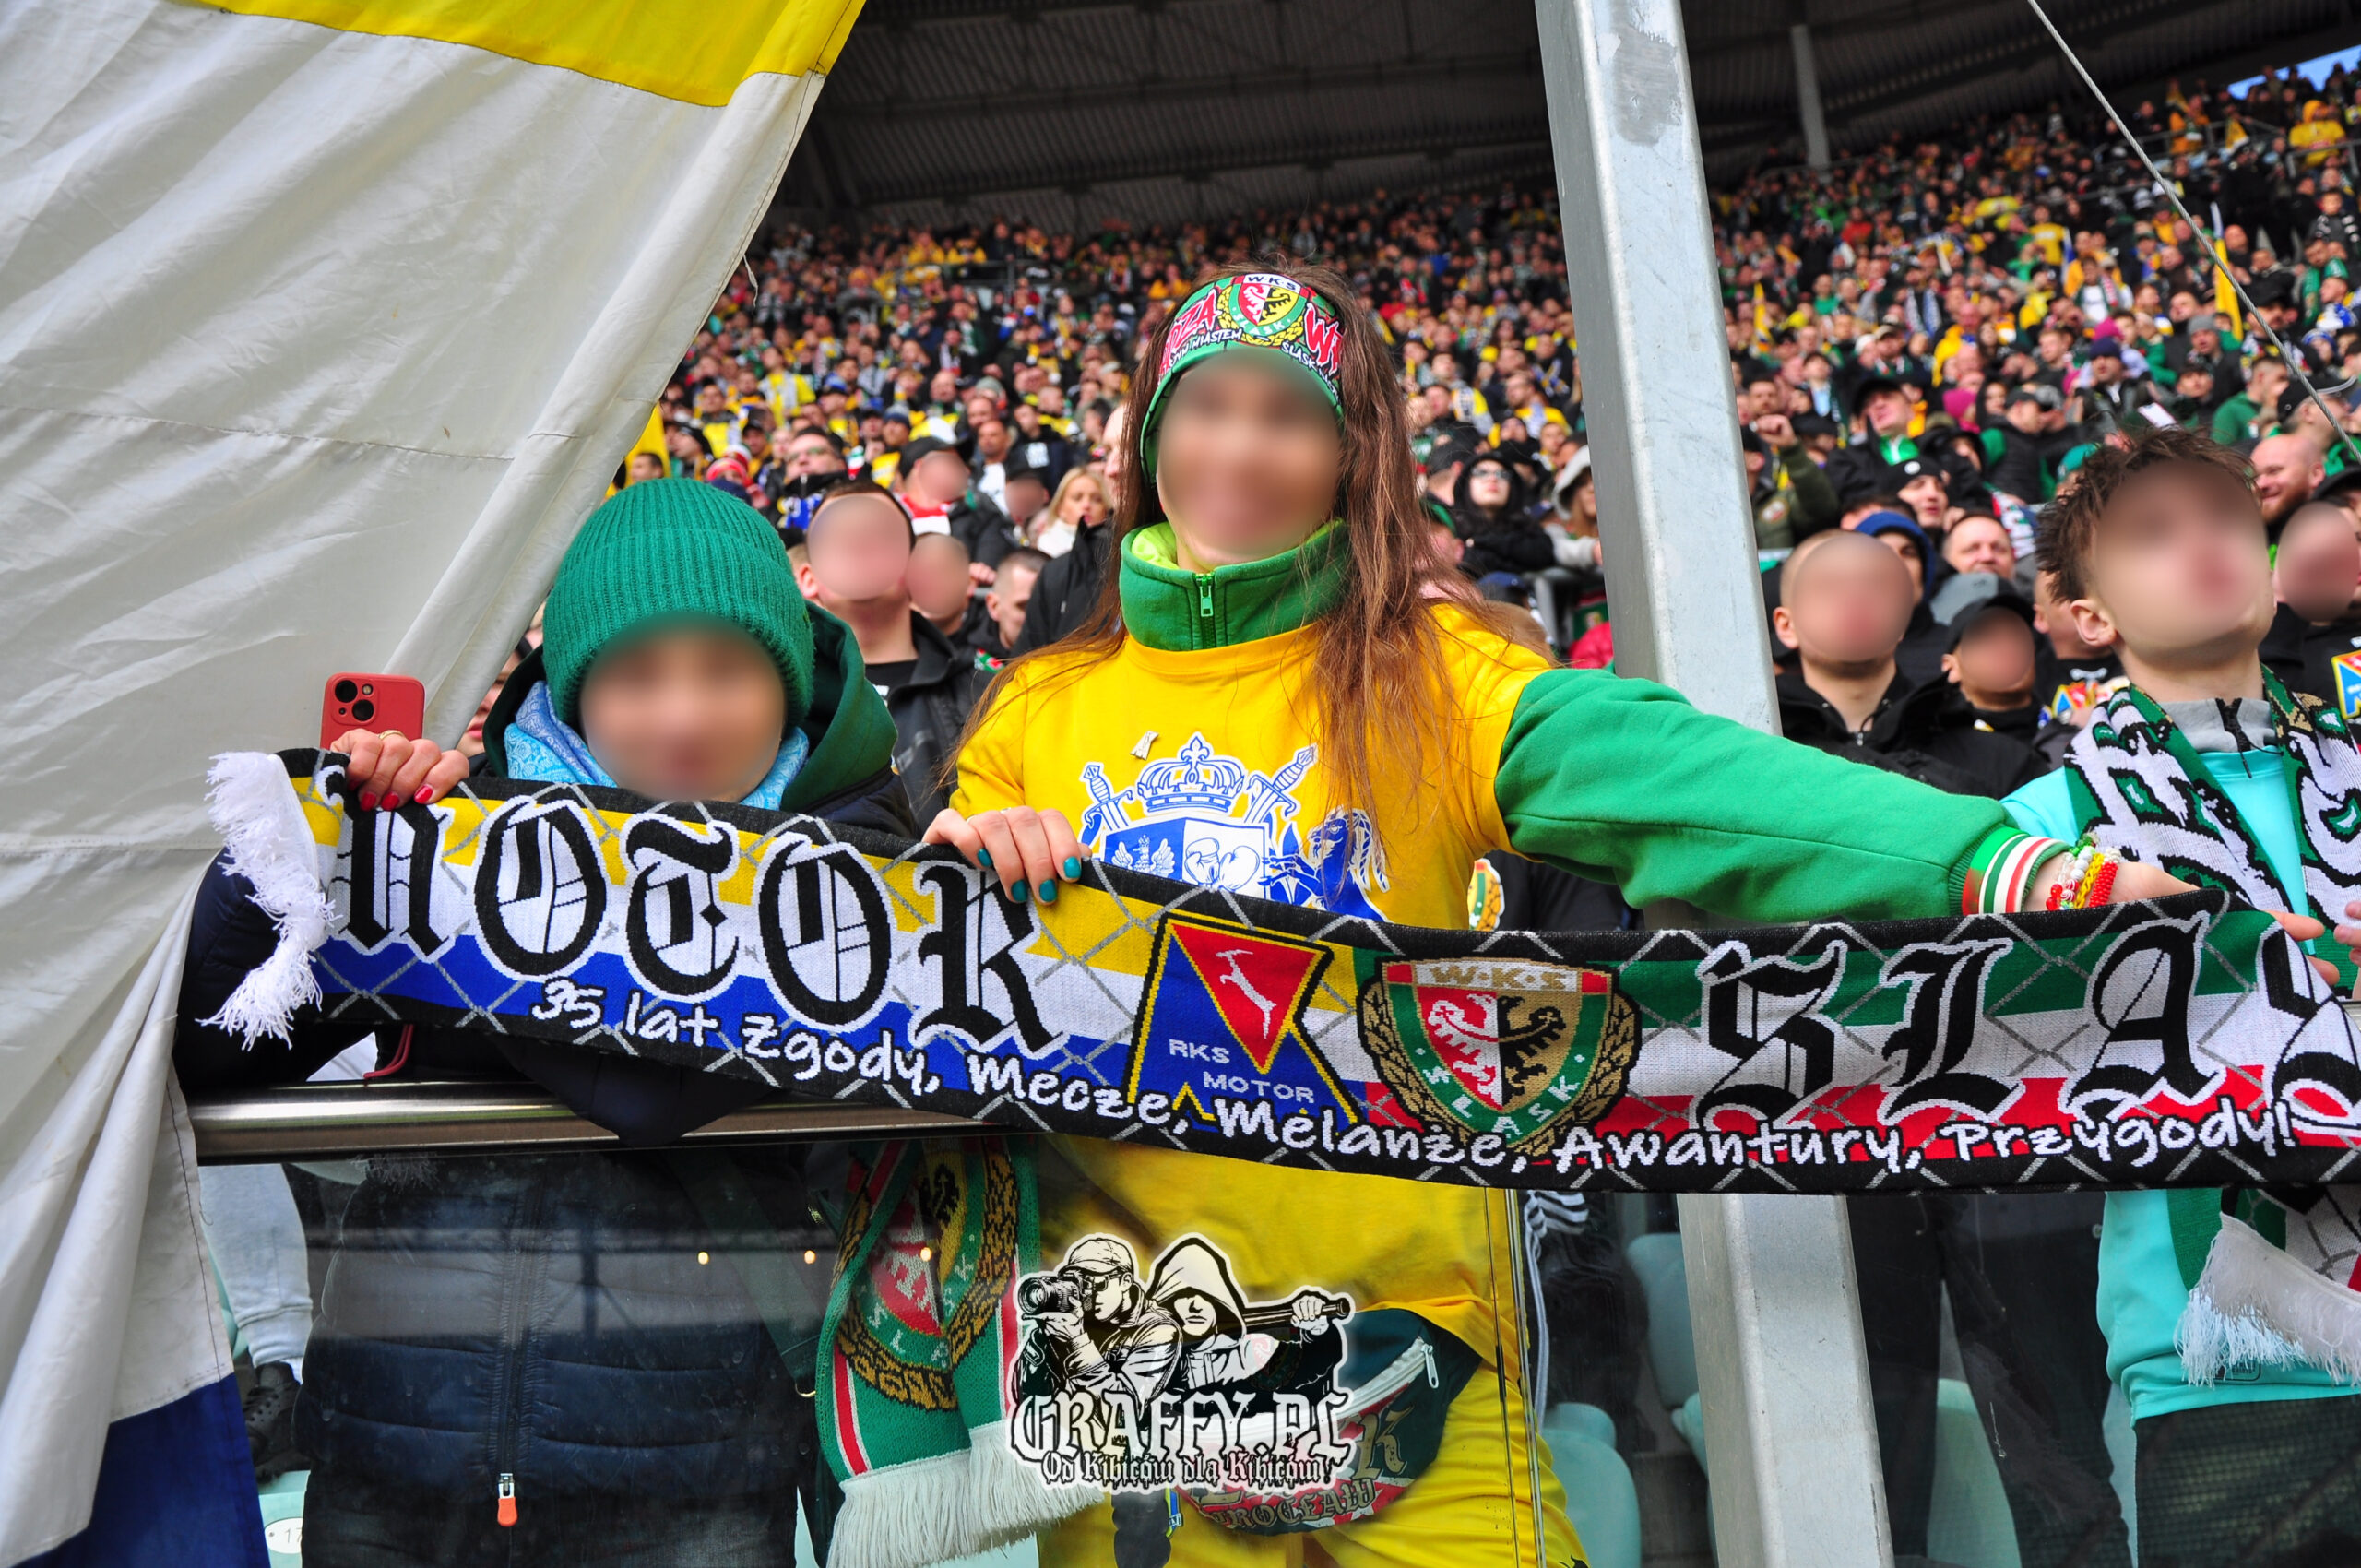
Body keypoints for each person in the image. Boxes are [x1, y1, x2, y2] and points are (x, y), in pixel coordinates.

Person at [919, 263, 2196, 1567]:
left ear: (1353, 457)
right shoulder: (1038, 706)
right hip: (1126, 1381)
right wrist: (966, 862)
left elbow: (1688, 784)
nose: (1239, 448)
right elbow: (927, 990)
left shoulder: (1430, 674)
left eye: (1289, 415)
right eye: (1206, 406)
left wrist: (1996, 864)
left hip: (1400, 1362)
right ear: (1150, 436)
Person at [174, 480, 912, 1563]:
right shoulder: (450, 832)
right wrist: (310, 848)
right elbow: (213, 1046)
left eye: (726, 668)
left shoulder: (872, 865)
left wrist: (480, 900)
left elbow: (654, 1088)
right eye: (636, 674)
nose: (683, 715)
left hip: (695, 1464)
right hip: (400, 1430)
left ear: (788, 683)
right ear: (573, 694)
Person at [2002, 427, 2361, 1565]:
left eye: (2225, 518)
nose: (2203, 543)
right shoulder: (2039, 830)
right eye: (2151, 534)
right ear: (2086, 613)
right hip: (2217, 1364)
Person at [1773, 530, 2044, 798]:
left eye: (1875, 584)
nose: (1854, 598)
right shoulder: (1764, 757)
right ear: (1786, 626)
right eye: (1827, 586)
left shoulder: (2003, 761)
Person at [797, 481, 984, 820]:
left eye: (880, 535)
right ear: (808, 579)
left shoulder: (984, 694)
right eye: (837, 538)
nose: (858, 544)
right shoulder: (785, 702)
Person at [980, 546, 1049, 665]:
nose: (1037, 618)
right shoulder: (965, 666)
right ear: (994, 606)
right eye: (1025, 607)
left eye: (1046, 607)